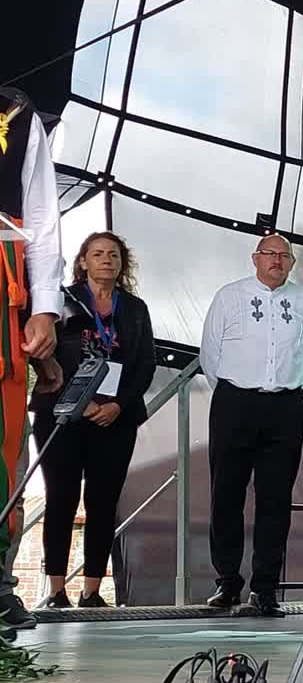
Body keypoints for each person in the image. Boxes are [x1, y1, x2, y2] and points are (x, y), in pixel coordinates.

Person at [29, 233, 155, 609]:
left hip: (115, 418)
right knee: (61, 497)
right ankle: (56, 591)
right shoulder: (60, 302)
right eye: (97, 254)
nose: (106, 260)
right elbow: (42, 354)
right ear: (83, 261)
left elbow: (145, 365)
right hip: (63, 416)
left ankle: (92, 591)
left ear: (122, 262)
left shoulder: (134, 308)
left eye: (113, 255)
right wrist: (77, 402)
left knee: (103, 501)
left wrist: (118, 404)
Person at [200, 234, 303, 617]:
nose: (277, 261)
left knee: (276, 497)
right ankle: (227, 582)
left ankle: (265, 587)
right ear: (255, 258)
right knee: (226, 492)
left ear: (292, 263)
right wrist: (236, 390)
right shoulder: (229, 296)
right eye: (270, 254)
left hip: (284, 405)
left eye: (285, 256)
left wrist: (286, 386)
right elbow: (210, 353)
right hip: (235, 401)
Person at [0, 87, 64, 633]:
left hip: (3, 286)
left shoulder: (14, 111)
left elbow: (40, 217)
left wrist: (44, 306)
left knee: (3, 441)